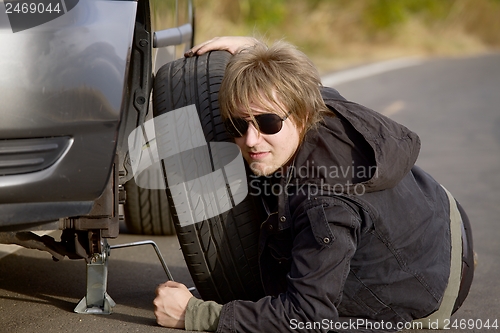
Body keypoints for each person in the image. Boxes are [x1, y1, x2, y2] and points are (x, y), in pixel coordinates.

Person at [153, 37, 474, 332]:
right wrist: (256, 53)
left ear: (304, 114)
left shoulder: (323, 203)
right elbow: (298, 79)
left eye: (268, 122)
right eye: (237, 124)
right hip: (445, 220)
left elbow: (307, 315)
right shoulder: (316, 101)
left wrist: (195, 314)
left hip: (424, 295)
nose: (250, 140)